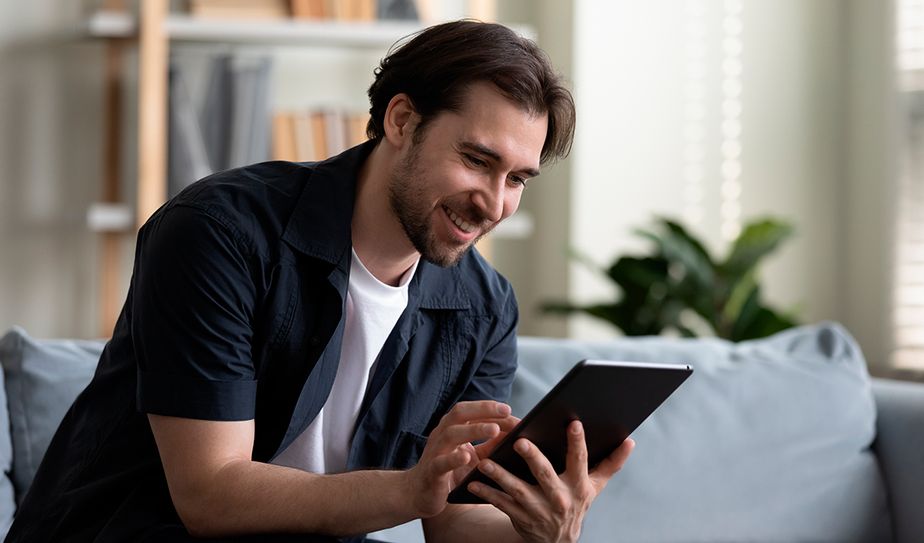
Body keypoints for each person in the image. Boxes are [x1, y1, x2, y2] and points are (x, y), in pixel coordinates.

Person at [7, 20, 634, 543]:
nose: (494, 204)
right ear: (401, 120)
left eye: (517, 179)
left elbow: (453, 522)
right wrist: (409, 489)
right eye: (476, 160)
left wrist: (542, 530)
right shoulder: (218, 234)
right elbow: (210, 493)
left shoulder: (484, 308)